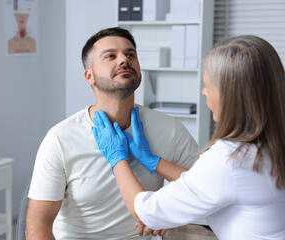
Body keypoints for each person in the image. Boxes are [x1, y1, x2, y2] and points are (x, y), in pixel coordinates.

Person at [92, 35, 285, 240]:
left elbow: (146, 211)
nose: (203, 93)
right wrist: (153, 161)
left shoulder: (230, 158)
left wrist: (117, 158)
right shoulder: (268, 146)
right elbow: (206, 184)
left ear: (230, 96)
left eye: (208, 86)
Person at [26, 27, 199, 239]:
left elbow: (204, 188)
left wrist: (170, 211)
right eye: (110, 56)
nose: (124, 60)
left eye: (130, 54)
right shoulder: (61, 139)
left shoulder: (170, 129)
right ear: (89, 76)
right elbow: (38, 226)